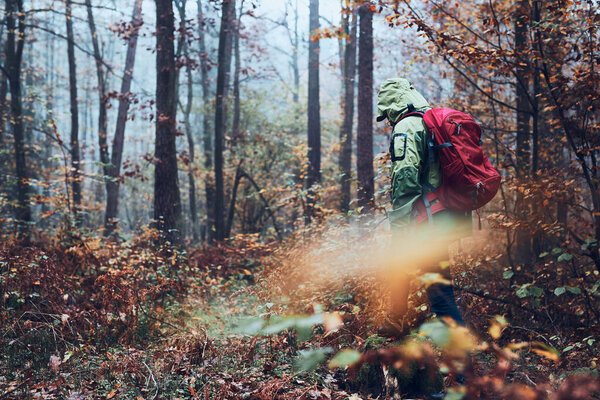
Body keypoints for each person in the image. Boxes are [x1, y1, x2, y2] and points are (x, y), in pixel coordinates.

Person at [376, 78, 472, 337]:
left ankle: (463, 370)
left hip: (423, 222)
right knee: (401, 268)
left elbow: (405, 178)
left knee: (440, 296)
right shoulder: (428, 119)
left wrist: (399, 225)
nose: (387, 120)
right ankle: (396, 321)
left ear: (392, 106)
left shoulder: (406, 126)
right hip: (440, 218)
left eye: (386, 114)